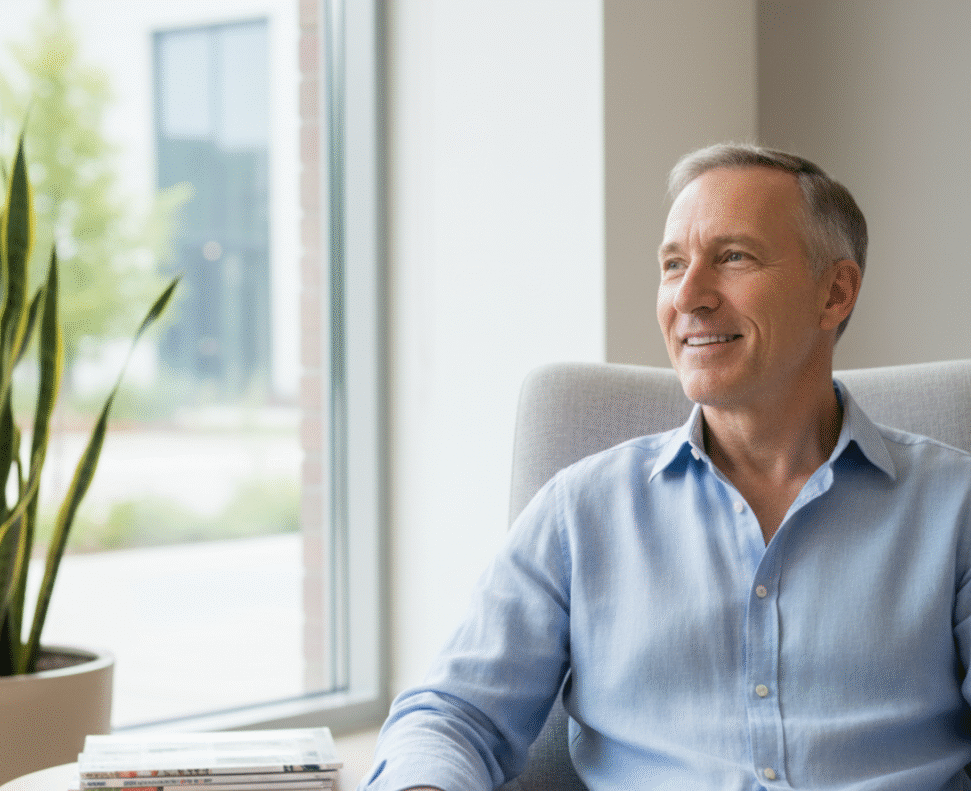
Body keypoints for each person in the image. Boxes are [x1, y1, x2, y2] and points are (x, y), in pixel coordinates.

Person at [358, 144, 971, 790]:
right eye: (673, 263)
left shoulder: (955, 507)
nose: (689, 295)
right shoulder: (580, 511)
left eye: (733, 257)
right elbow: (451, 716)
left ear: (835, 292)